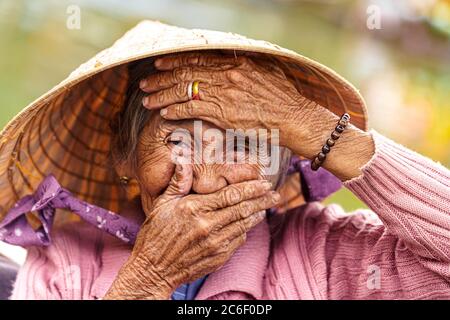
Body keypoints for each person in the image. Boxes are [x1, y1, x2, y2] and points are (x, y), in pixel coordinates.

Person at [0, 21, 448, 300]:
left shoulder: (325, 255)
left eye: (245, 146)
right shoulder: (64, 262)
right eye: (179, 140)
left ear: (281, 167)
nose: (207, 178)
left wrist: (306, 123)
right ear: (126, 156)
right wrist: (150, 279)